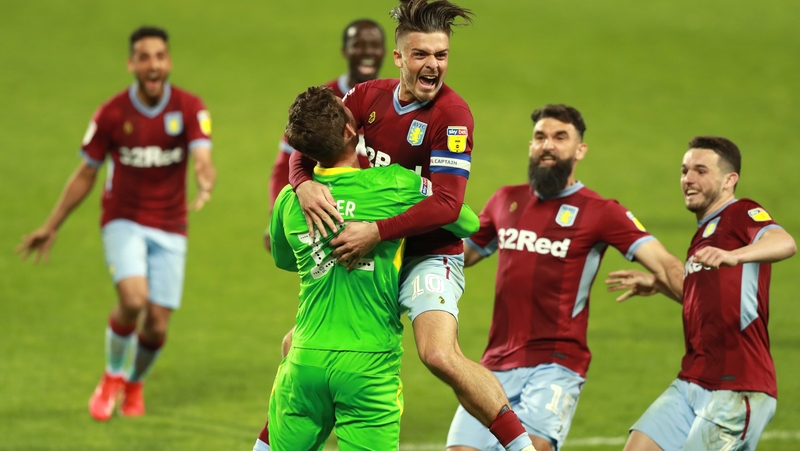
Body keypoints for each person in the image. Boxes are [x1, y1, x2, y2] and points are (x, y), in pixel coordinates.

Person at [289, 1, 536, 450]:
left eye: (441, 55)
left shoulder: (453, 116)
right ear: (399, 57)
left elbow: (447, 204)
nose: (433, 65)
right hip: (378, 255)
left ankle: (520, 446)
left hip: (426, 252)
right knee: (297, 346)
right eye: (421, 54)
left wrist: (377, 231)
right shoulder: (366, 97)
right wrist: (302, 183)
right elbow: (310, 137)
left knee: (439, 355)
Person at [444, 104, 685, 451]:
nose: (548, 146)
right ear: (531, 145)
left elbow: (665, 265)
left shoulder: (602, 212)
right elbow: (458, 254)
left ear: (580, 150)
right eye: (540, 137)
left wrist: (705, 306)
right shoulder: (505, 201)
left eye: (560, 137)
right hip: (493, 366)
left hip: (555, 365)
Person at [257, 86, 479, 451]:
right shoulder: (394, 184)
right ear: (349, 130)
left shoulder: (289, 200)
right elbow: (465, 220)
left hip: (305, 359)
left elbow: (284, 259)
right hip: (368, 366)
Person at [15, 26, 216, 422]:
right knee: (133, 299)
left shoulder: (191, 108)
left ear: (168, 62)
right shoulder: (111, 114)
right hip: (123, 219)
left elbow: (203, 156)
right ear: (131, 64)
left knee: (156, 326)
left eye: (159, 56)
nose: (152, 64)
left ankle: (134, 382)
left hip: (172, 224)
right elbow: (86, 173)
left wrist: (205, 179)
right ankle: (111, 377)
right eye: (144, 57)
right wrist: (52, 224)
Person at [606, 136, 796, 451]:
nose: (688, 179)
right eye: (684, 170)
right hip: (692, 379)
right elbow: (709, 301)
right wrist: (658, 284)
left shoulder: (741, 212)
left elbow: (785, 242)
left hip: (738, 386)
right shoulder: (704, 234)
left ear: (729, 180)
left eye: (700, 171)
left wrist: (736, 255)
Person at [265, 18, 386, 250]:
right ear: (345, 51)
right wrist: (277, 214)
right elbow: (286, 161)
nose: (367, 52)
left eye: (374, 46)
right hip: (329, 215)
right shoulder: (323, 104)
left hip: (379, 216)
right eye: (359, 45)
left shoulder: (392, 102)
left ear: (386, 52)